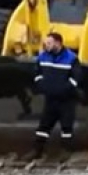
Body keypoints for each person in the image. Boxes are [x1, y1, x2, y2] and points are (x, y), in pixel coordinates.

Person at [29, 31, 81, 162]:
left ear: (58, 43)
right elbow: (37, 72)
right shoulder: (43, 57)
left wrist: (64, 90)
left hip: (66, 100)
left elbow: (76, 78)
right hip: (50, 99)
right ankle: (37, 151)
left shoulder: (71, 58)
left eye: (49, 42)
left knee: (66, 127)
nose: (46, 45)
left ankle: (65, 152)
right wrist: (41, 85)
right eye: (46, 43)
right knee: (44, 126)